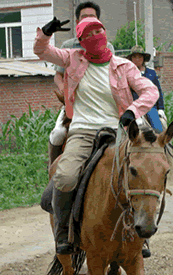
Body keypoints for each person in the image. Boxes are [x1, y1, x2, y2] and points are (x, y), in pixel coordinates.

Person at [34, 16, 159, 255]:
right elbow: (41, 50)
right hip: (81, 131)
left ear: (105, 34)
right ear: (80, 41)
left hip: (117, 131)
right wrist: (46, 33)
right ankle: (63, 232)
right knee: (65, 177)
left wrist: (132, 112)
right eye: (88, 35)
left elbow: (150, 90)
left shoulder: (124, 66)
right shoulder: (71, 59)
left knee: (140, 174)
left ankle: (140, 233)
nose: (94, 38)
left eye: (98, 32)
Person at [48, 1, 116, 169]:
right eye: (84, 17)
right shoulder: (68, 46)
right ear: (77, 21)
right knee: (58, 134)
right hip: (74, 104)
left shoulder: (108, 47)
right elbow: (58, 75)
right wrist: (64, 92)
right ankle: (52, 170)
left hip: (102, 103)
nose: (88, 20)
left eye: (92, 17)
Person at [127, 45, 166, 132]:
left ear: (144, 58)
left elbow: (158, 90)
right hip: (134, 106)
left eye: (139, 57)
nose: (137, 59)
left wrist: (161, 108)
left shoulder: (151, 73)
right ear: (131, 59)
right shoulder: (127, 74)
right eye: (134, 57)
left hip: (150, 106)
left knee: (158, 129)